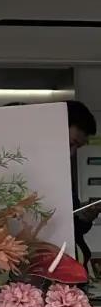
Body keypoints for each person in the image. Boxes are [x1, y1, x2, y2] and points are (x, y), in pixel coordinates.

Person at [68, 98, 97, 263]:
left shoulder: (64, 174)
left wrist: (85, 216)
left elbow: (72, 228)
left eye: (76, 147)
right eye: (71, 144)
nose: (71, 153)